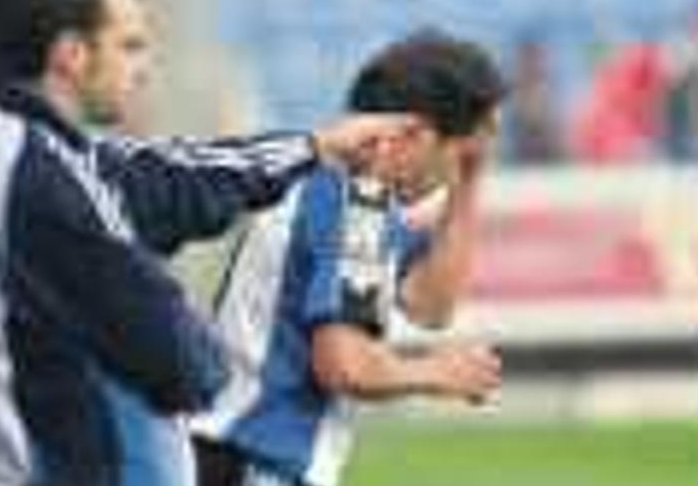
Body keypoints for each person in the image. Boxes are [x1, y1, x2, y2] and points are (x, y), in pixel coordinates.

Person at [0, 0, 420, 485]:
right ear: (71, 55)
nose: (145, 69)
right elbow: (168, 346)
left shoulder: (50, 151)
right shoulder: (44, 177)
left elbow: (180, 179)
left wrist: (316, 147)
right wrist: (211, 363)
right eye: (129, 47)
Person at [189, 28, 507, 486]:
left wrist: (471, 176)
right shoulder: (357, 203)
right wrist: (439, 372)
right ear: (415, 135)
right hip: (254, 462)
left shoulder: (337, 188)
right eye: (456, 156)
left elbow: (430, 304)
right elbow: (344, 364)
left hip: (229, 457)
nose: (446, 178)